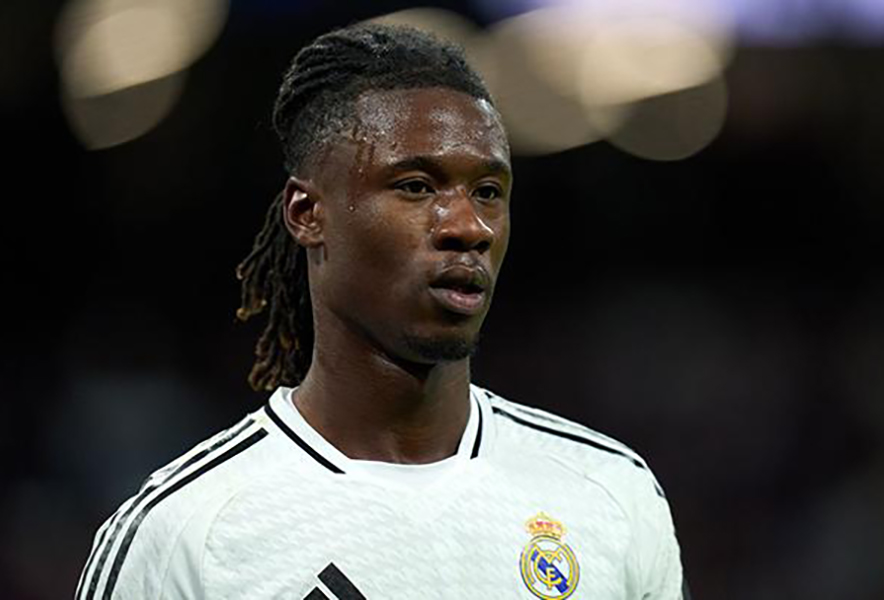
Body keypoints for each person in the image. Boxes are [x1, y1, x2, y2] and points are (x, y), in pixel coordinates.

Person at [76, 23, 686, 600]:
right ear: (307, 215)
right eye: (416, 186)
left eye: (488, 192)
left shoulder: (611, 494)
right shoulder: (182, 535)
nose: (469, 227)